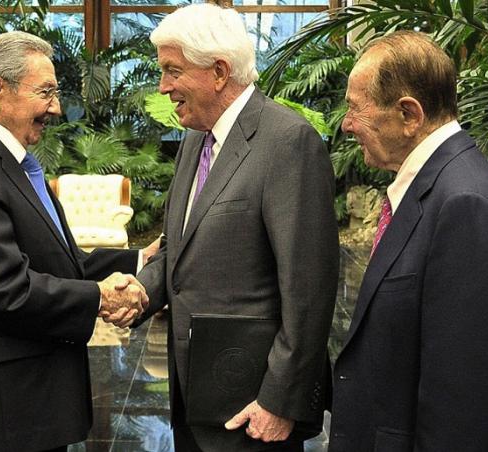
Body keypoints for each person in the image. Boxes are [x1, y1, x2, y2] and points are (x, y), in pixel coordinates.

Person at [0, 31, 148, 452]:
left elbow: (60, 261)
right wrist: (99, 297)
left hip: (27, 406)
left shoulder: (7, 159)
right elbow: (4, 288)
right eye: (46, 92)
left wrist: (141, 261)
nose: (55, 107)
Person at [128, 4, 340, 451]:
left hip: (253, 404)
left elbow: (309, 288)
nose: (163, 86)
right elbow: (178, 247)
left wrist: (280, 400)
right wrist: (141, 292)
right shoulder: (194, 141)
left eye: (172, 71)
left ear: (219, 71)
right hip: (194, 396)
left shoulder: (287, 142)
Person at [329, 31, 488, 451]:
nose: (346, 124)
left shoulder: (464, 202)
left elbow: (464, 400)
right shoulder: (437, 184)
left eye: (356, 108)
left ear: (409, 114)